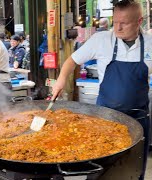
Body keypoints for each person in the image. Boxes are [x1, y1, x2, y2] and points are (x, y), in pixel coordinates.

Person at [51, 1, 151, 179]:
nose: (117, 28)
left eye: (124, 23)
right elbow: (71, 61)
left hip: (139, 120)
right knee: (102, 169)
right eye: (115, 21)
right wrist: (60, 80)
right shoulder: (102, 40)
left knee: (134, 170)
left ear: (139, 21)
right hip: (105, 118)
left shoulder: (150, 44)